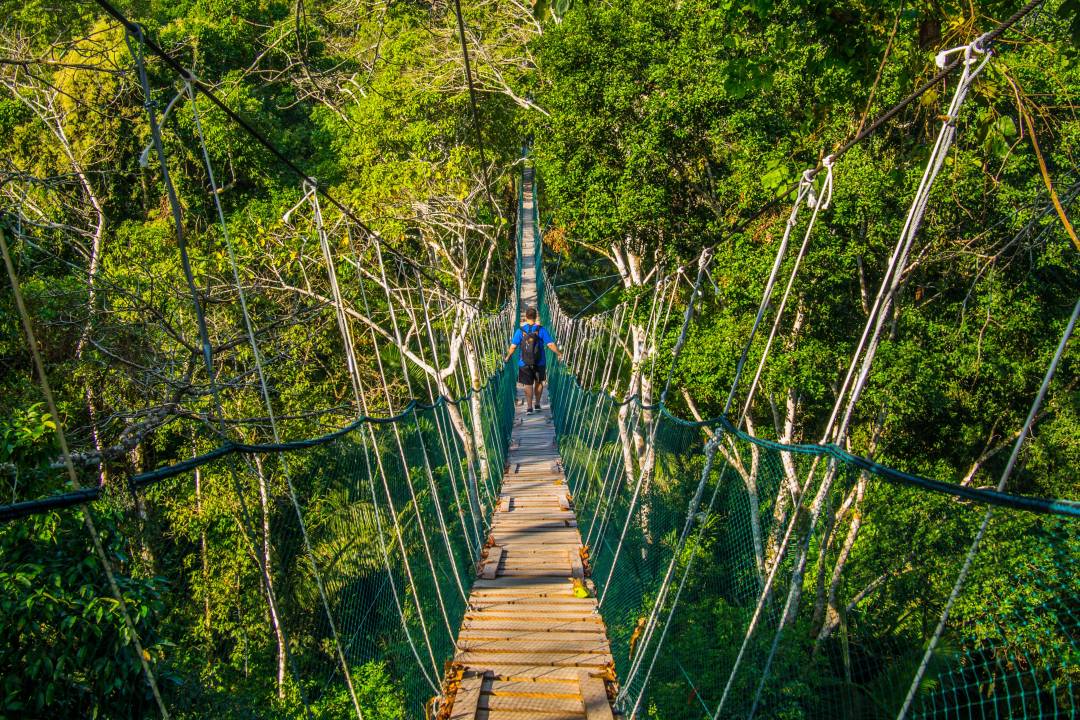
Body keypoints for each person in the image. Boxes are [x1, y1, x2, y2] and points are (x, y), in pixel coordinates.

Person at [504, 306, 561, 414]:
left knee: (528, 384)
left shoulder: (520, 331)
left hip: (524, 362)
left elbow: (513, 347)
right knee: (539, 382)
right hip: (540, 362)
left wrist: (507, 357)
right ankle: (537, 404)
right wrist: (559, 354)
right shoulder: (541, 329)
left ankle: (529, 407)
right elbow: (550, 344)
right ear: (536, 317)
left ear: (526, 317)